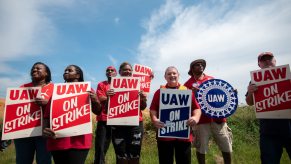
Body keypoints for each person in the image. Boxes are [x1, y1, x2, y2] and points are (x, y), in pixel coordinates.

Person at [43, 65, 101, 164]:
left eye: (69, 70)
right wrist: (44, 129)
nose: (66, 72)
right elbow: (47, 115)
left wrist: (95, 100)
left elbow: (98, 111)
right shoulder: (56, 92)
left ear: (78, 75)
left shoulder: (87, 90)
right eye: (65, 70)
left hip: (79, 141)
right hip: (58, 140)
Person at [184, 59, 232, 164]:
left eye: (202, 64)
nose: (201, 66)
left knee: (226, 144)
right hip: (201, 121)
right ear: (192, 69)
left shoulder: (211, 79)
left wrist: (230, 92)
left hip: (217, 118)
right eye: (197, 65)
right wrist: (191, 94)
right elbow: (185, 103)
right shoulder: (188, 84)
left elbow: (220, 96)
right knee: (201, 147)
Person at [245, 52, 291, 163]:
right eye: (263, 60)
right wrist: (250, 92)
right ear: (259, 64)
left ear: (275, 61)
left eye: (269, 59)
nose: (267, 61)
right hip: (268, 130)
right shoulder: (255, 80)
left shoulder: (287, 75)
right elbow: (249, 102)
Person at [150, 66, 201, 164]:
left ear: (178, 75)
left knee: (184, 161)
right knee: (165, 161)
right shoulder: (159, 92)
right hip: (165, 135)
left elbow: (196, 108)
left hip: (184, 135)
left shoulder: (186, 91)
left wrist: (195, 117)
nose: (172, 75)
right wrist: (154, 120)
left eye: (174, 73)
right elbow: (153, 109)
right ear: (165, 77)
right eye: (169, 74)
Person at [108, 62, 147, 164]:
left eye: (130, 70)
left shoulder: (138, 86)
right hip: (118, 124)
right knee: (121, 154)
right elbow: (105, 108)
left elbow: (143, 107)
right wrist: (109, 97)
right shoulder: (112, 86)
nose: (128, 71)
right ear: (120, 72)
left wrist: (143, 98)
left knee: (135, 153)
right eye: (125, 69)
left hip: (136, 124)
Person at [14, 62, 53, 164]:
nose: (34, 70)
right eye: (33, 68)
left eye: (38, 68)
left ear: (46, 73)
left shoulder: (54, 88)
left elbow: (59, 108)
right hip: (23, 131)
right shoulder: (23, 87)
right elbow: (13, 109)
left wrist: (48, 103)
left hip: (44, 132)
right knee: (22, 160)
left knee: (44, 160)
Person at [94, 66, 117, 164]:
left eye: (112, 70)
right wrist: (111, 97)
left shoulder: (122, 84)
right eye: (108, 70)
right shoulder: (101, 84)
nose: (110, 72)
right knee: (101, 147)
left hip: (119, 119)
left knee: (120, 147)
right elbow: (100, 98)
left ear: (116, 73)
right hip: (104, 119)